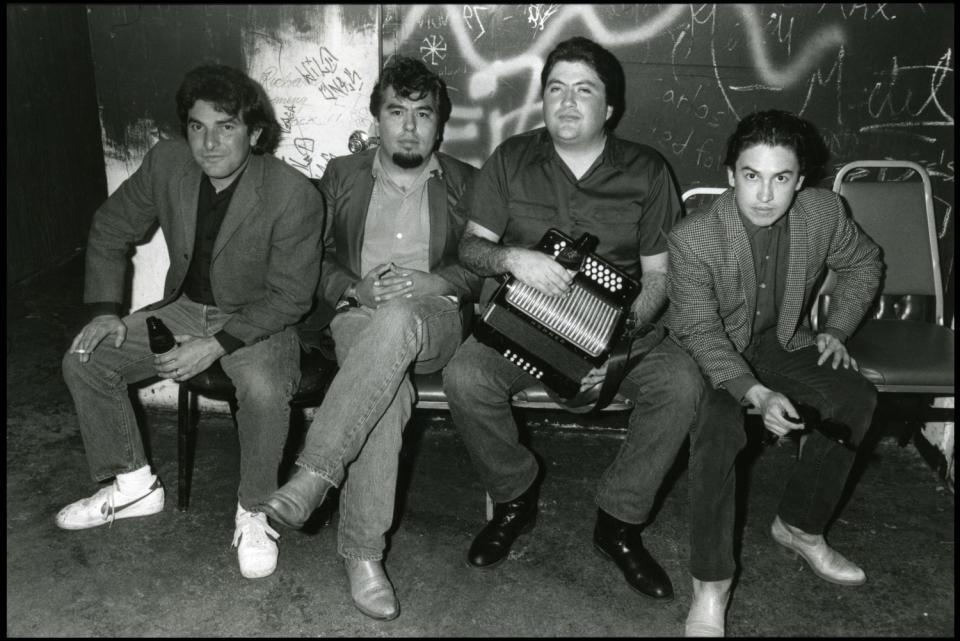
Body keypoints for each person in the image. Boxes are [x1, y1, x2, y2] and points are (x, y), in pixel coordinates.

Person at [441, 36, 706, 602]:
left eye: (583, 91)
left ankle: (619, 521)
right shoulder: (511, 158)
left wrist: (609, 349)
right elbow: (470, 248)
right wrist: (512, 258)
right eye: (555, 89)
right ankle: (515, 497)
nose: (566, 102)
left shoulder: (647, 171)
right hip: (522, 323)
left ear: (610, 108)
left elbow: (660, 277)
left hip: (618, 330)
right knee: (465, 377)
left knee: (682, 385)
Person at [57, 64, 323, 581]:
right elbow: (110, 228)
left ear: (256, 132)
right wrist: (106, 311)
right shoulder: (167, 163)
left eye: (226, 127)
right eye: (198, 127)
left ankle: (254, 510)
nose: (209, 142)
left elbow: (291, 297)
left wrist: (216, 343)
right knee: (86, 358)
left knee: (266, 390)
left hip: (256, 317)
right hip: (182, 305)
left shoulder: (293, 193)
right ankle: (133, 485)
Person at [256, 56, 480, 621]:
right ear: (376, 117)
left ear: (439, 123)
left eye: (422, 114)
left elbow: (484, 265)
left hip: (435, 319)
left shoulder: (467, 182)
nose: (409, 126)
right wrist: (354, 287)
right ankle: (363, 557)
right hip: (357, 315)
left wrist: (439, 280)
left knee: (401, 319)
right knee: (390, 392)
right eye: (396, 112)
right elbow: (315, 258)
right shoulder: (342, 175)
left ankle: (313, 476)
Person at [666, 109, 881, 636]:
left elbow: (864, 261)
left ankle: (799, 527)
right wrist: (755, 394)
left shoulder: (824, 212)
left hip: (781, 341)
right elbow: (698, 329)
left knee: (854, 397)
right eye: (752, 176)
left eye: (780, 178)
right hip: (712, 350)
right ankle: (711, 586)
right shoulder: (694, 238)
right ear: (730, 176)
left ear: (800, 181)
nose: (765, 194)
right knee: (719, 430)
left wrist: (838, 328)